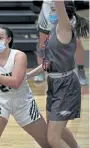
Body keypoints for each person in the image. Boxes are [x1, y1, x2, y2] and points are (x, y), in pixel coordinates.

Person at [0, 26, 51, 148]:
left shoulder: (19, 56)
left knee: (46, 143)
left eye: (0, 37)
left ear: (8, 39)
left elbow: (15, 83)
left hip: (23, 102)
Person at [27, 1, 82, 148]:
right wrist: (28, 76)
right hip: (53, 84)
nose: (50, 12)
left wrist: (58, 4)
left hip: (66, 86)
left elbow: (59, 4)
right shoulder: (53, 31)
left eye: (54, 9)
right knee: (59, 131)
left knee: (53, 138)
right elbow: (47, 63)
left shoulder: (65, 28)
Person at [34, 0, 88, 85]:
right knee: (42, 42)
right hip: (48, 9)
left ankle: (81, 69)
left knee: (77, 42)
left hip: (66, 7)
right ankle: (40, 70)